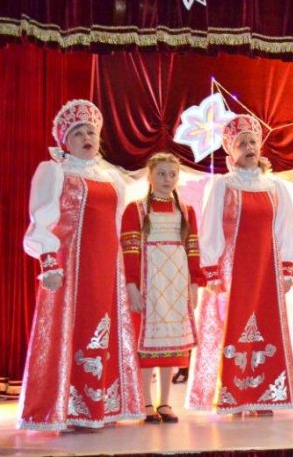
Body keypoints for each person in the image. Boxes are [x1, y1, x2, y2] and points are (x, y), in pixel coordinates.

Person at [18, 99, 143, 430]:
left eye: (91, 132)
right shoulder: (55, 171)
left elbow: (117, 223)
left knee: (104, 325)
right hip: (71, 267)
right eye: (78, 133)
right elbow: (42, 219)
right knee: (73, 326)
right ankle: (70, 409)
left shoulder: (112, 177)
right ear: (65, 141)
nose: (87, 137)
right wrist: (49, 263)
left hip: (107, 266)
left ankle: (102, 406)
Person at [187, 115, 293, 416]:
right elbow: (210, 226)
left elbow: (286, 228)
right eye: (242, 143)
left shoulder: (275, 187)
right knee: (232, 326)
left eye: (253, 142)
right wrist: (211, 271)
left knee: (266, 325)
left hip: (266, 270)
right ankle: (233, 395)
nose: (249, 147)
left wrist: (286, 268)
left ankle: (263, 395)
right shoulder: (223, 185)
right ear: (231, 151)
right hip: (232, 271)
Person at [121, 152, 203, 424]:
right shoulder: (136, 209)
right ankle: (145, 401)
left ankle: (165, 402)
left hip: (176, 284)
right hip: (150, 283)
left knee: (172, 345)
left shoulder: (186, 211)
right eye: (161, 174)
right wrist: (132, 286)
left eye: (172, 174)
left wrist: (194, 284)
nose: (167, 179)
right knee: (147, 345)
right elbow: (129, 250)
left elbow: (193, 249)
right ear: (150, 176)